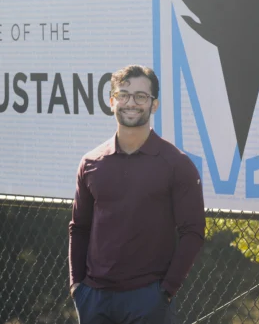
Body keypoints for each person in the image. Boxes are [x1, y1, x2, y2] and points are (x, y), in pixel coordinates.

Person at [68, 64, 206, 324]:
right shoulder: (90, 162)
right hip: (94, 300)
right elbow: (79, 227)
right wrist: (77, 287)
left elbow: (194, 232)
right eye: (124, 95)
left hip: (148, 300)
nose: (131, 103)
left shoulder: (176, 164)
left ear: (154, 105)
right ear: (112, 101)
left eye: (141, 96)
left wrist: (165, 291)